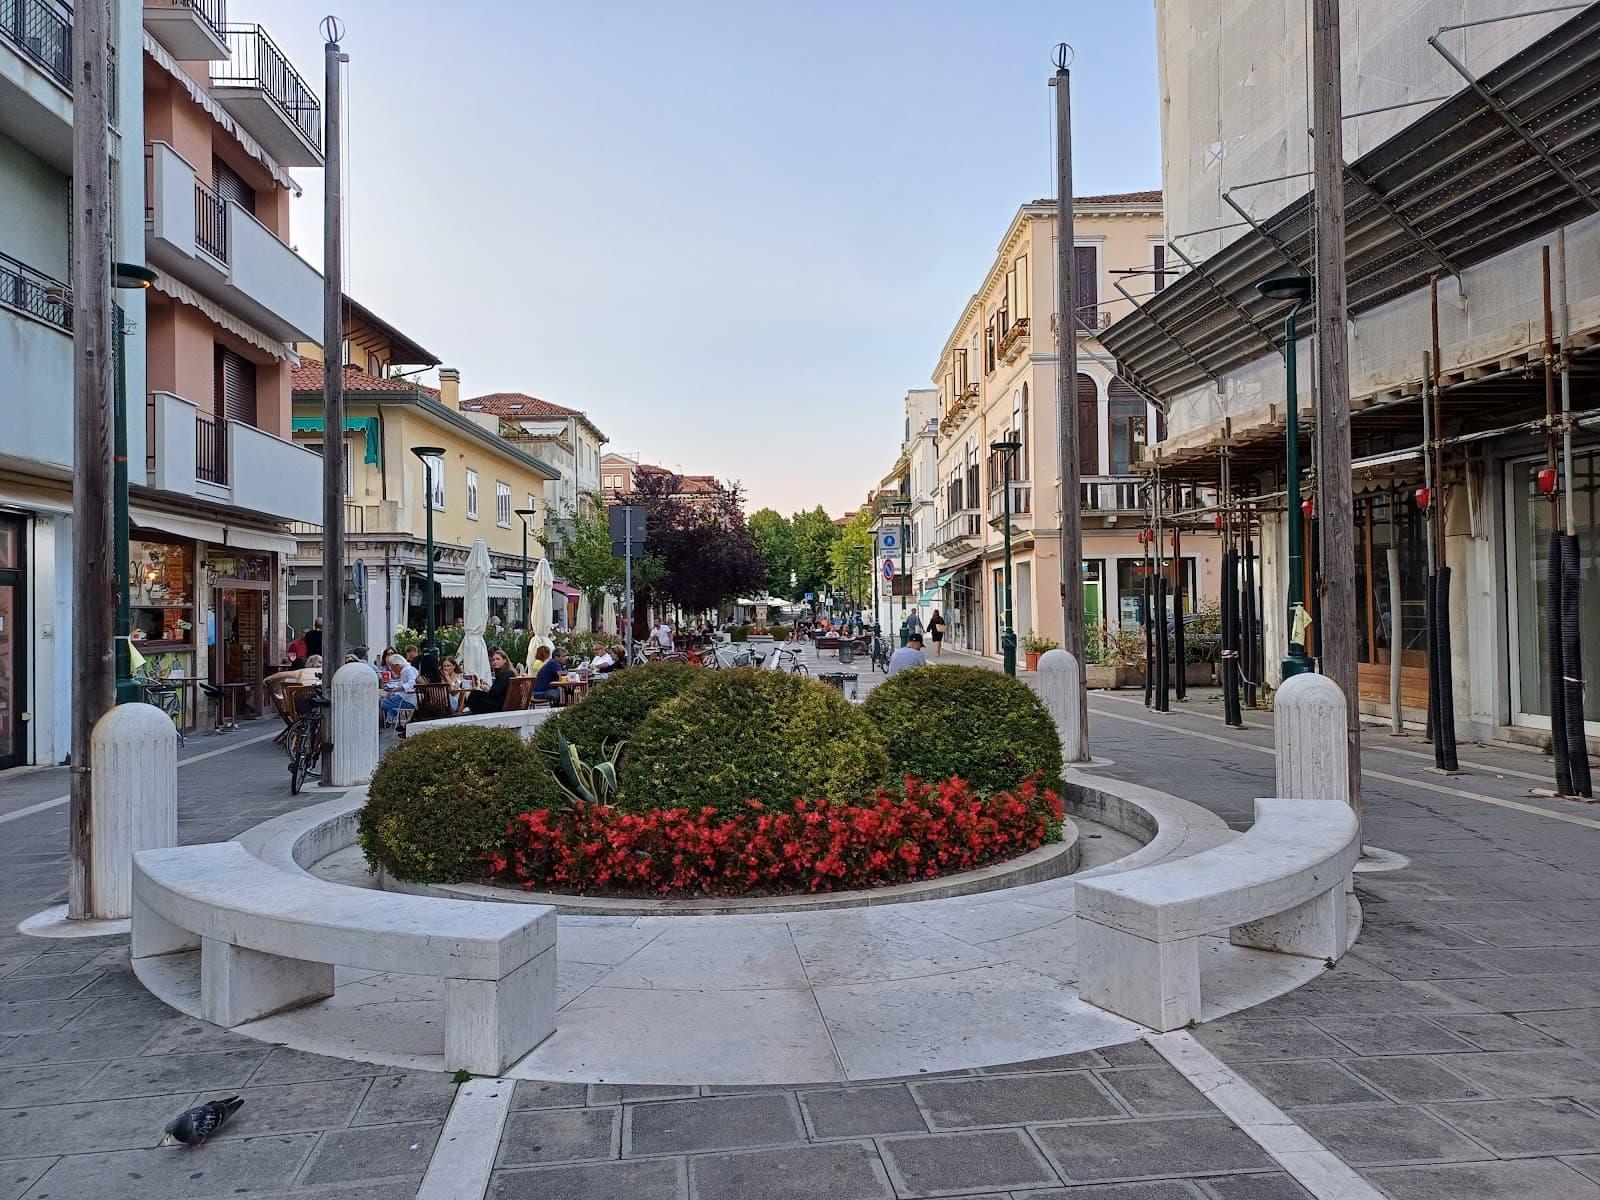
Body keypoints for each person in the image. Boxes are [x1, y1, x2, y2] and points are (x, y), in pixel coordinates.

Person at [466, 646, 515, 714]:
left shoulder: (506, 674)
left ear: (504, 660)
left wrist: (488, 688)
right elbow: (498, 691)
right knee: (475, 694)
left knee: (474, 696)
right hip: (500, 702)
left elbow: (494, 694)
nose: (495, 662)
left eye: (498, 659)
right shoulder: (505, 673)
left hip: (499, 705)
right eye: (493, 660)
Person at [380, 653, 420, 725]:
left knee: (383, 702)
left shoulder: (407, 670)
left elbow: (411, 684)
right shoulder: (410, 669)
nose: (391, 669)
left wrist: (395, 690)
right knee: (389, 699)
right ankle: (391, 717)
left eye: (391, 667)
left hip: (408, 700)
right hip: (407, 698)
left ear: (396, 665)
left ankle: (390, 718)